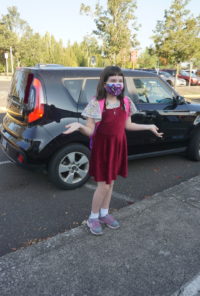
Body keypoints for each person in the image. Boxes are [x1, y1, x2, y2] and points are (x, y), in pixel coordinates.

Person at [63, 66, 163, 235]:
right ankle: (93, 218)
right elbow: (90, 131)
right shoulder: (97, 103)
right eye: (112, 81)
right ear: (104, 83)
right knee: (103, 185)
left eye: (119, 81)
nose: (117, 84)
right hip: (103, 148)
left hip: (118, 147)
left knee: (111, 183)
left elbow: (127, 125)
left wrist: (149, 126)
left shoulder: (125, 102)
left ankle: (104, 213)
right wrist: (79, 126)